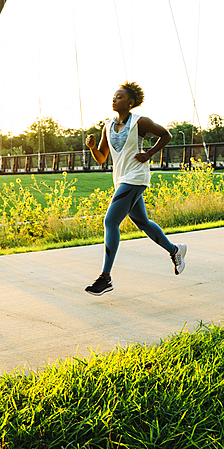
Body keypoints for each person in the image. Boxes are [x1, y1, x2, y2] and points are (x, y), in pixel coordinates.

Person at [83, 81, 187, 296]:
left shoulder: (140, 122)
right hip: (121, 178)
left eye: (119, 97)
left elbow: (166, 135)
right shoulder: (108, 125)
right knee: (143, 222)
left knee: (110, 221)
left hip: (136, 176)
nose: (115, 99)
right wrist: (93, 147)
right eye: (114, 96)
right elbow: (102, 158)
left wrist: (149, 154)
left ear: (130, 102)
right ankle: (175, 250)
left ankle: (105, 278)